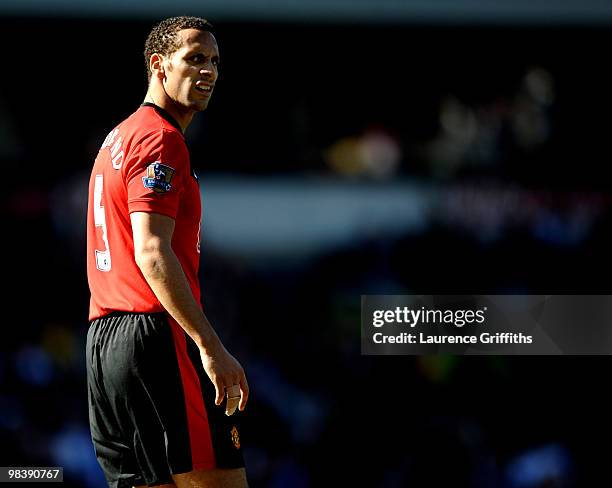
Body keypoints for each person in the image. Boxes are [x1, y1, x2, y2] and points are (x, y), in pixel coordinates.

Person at [85, 16, 249, 488]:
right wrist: (210, 345)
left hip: (104, 343)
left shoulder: (117, 137)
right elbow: (152, 253)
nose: (209, 72)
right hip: (155, 335)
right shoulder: (161, 138)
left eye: (215, 61)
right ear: (158, 65)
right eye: (194, 58)